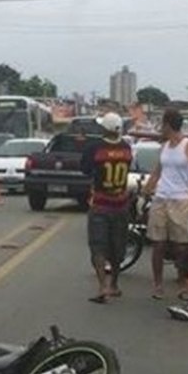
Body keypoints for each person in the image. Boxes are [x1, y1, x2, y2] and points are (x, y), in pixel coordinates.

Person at [144, 108, 188, 299]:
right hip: (161, 198)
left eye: (162, 125)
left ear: (168, 125)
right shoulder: (164, 147)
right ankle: (158, 284)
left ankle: (182, 281)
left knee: (181, 245)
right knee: (158, 244)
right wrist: (148, 188)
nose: (160, 129)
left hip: (180, 199)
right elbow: (158, 171)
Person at [82, 113, 134, 304]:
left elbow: (85, 170)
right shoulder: (127, 149)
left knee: (98, 246)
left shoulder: (95, 148)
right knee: (118, 246)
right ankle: (114, 285)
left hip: (101, 204)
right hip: (121, 204)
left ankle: (102, 286)